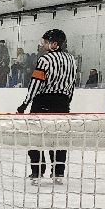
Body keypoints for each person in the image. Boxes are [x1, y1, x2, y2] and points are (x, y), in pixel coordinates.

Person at [17, 28, 79, 184]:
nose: (43, 44)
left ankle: (37, 172)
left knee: (36, 138)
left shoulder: (45, 60)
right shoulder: (72, 60)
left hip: (43, 103)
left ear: (55, 44)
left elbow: (36, 83)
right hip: (63, 104)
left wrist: (25, 103)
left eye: (46, 42)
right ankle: (58, 172)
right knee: (58, 139)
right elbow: (72, 84)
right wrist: (66, 102)